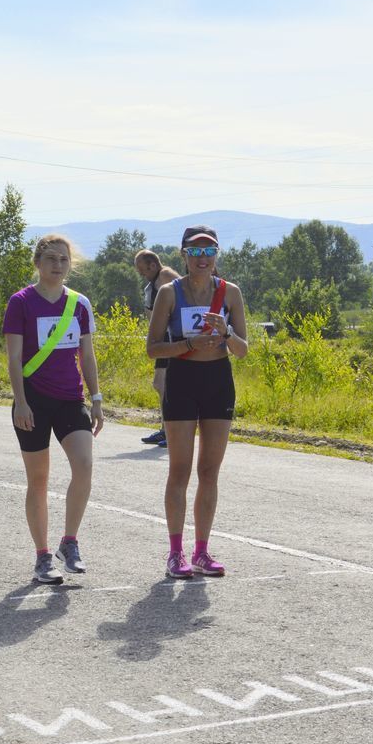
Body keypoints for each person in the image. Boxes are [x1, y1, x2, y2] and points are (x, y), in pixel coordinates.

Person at [146, 225, 248, 579]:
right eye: (196, 251)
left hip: (218, 381)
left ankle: (202, 552)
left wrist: (226, 332)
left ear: (217, 255)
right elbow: (152, 348)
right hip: (182, 380)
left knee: (209, 472)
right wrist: (187, 346)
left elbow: (244, 350)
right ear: (184, 254)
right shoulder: (169, 294)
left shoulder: (230, 293)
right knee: (180, 470)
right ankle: (176, 554)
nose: (203, 259)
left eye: (209, 252)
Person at [4, 234, 104, 585]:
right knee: (39, 479)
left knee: (85, 465)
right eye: (50, 258)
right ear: (38, 263)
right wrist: (20, 401)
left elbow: (87, 356)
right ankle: (42, 556)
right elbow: (14, 358)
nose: (57, 265)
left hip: (69, 399)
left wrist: (96, 399)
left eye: (63, 259)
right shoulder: (21, 303)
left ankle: (69, 542)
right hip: (32, 400)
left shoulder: (79, 304)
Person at [134, 249, 179, 448]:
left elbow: (181, 300)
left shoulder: (165, 275)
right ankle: (166, 430)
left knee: (165, 385)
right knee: (160, 385)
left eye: (143, 270)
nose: (142, 274)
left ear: (152, 265)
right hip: (163, 338)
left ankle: (172, 432)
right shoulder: (154, 281)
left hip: (171, 338)